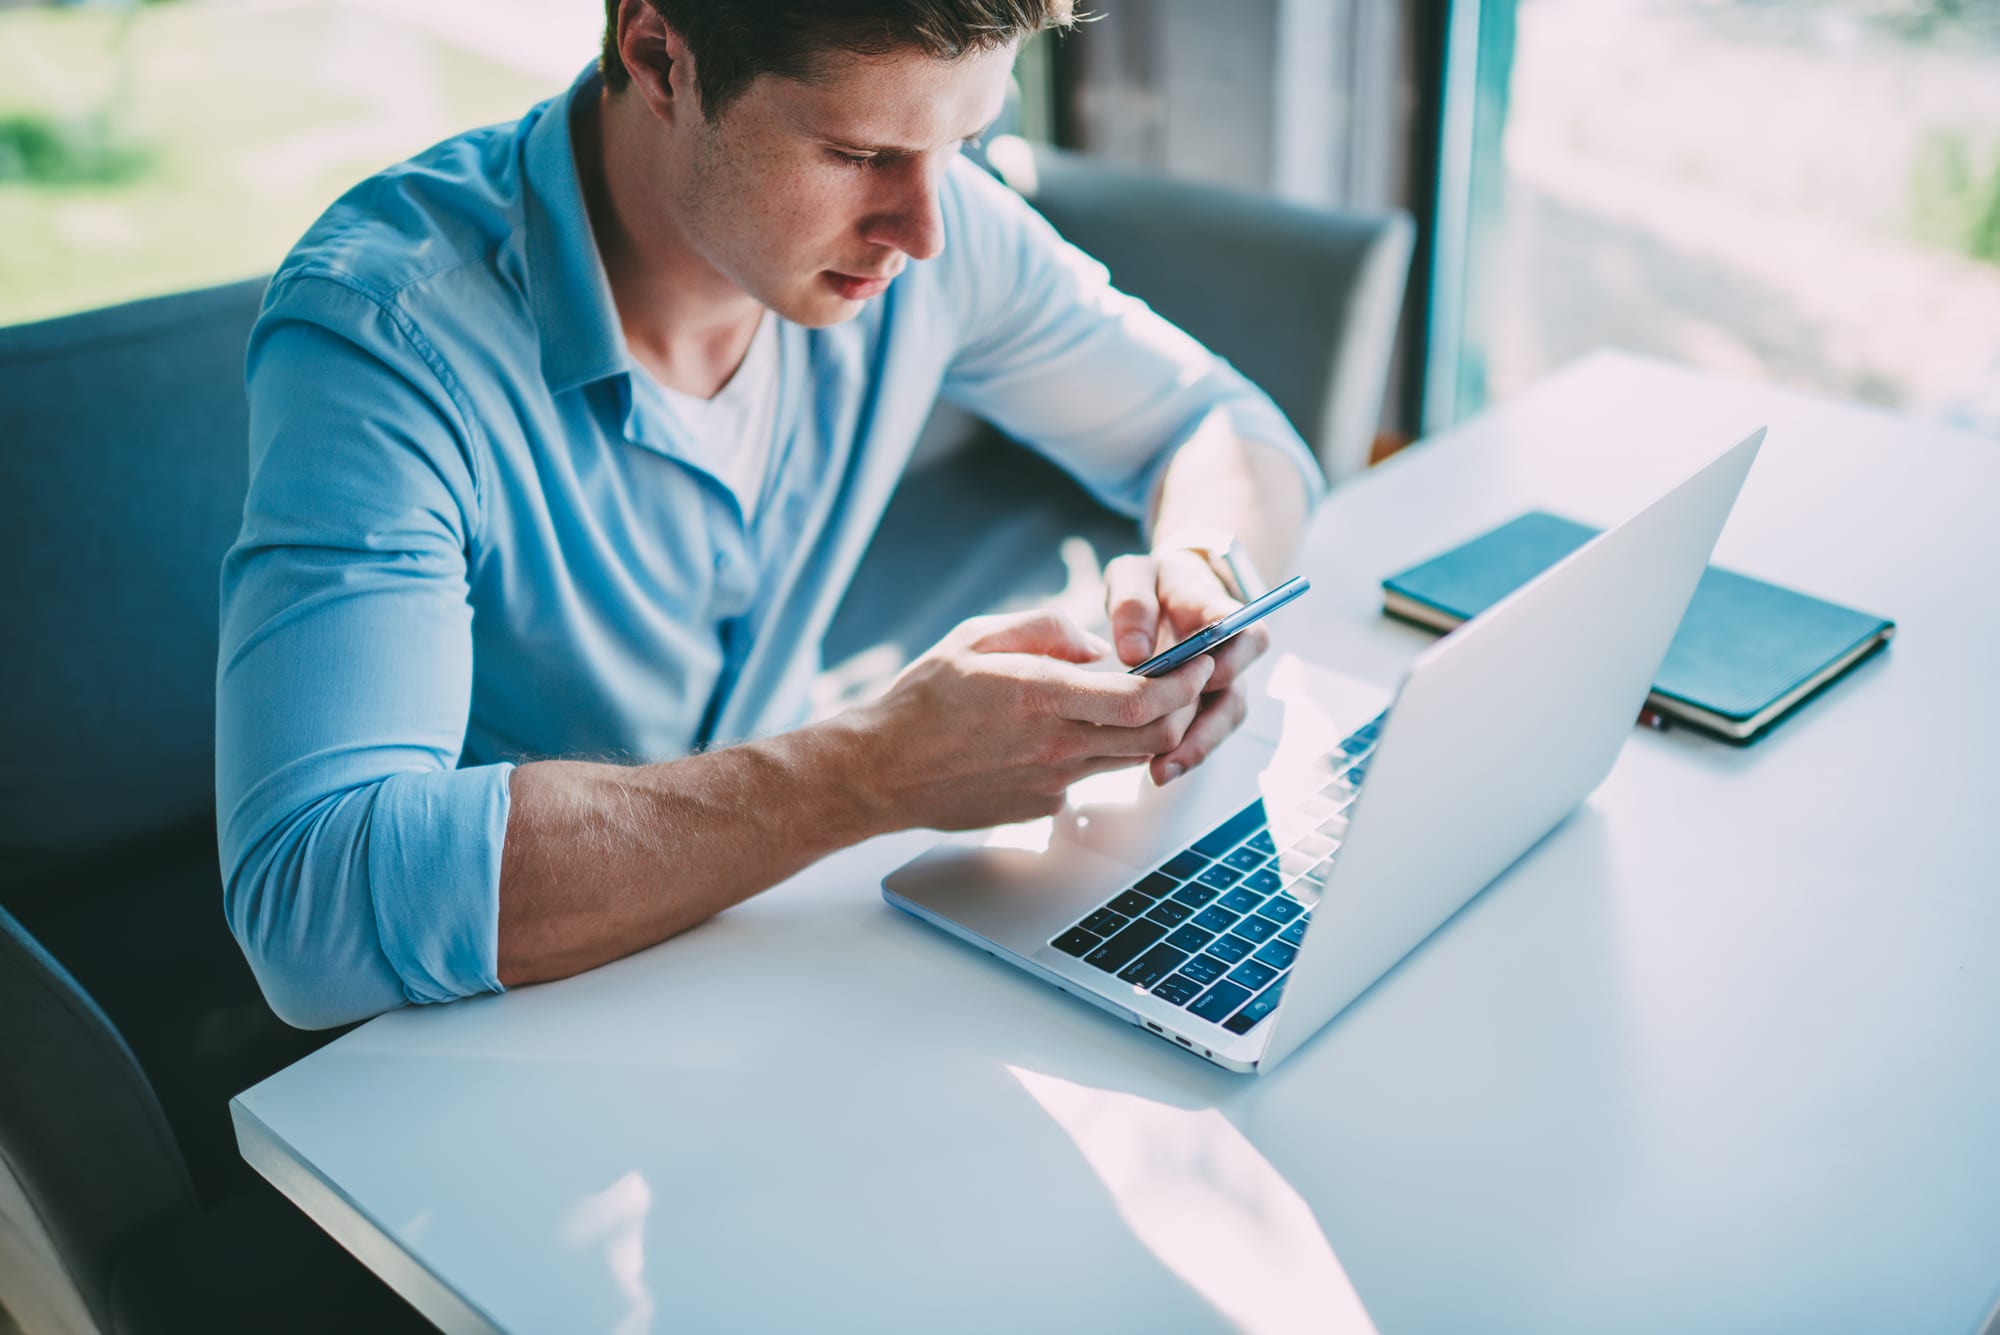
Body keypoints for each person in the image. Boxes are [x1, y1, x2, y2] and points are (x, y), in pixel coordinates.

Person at [216, 0, 1322, 1030]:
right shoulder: (385, 335)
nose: (925, 230)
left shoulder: (939, 240)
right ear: (657, 55)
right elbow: (314, 904)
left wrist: (1204, 572)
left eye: (963, 145)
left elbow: (1221, 424)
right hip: (479, 1028)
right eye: (856, 155)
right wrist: (869, 772)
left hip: (753, 954)